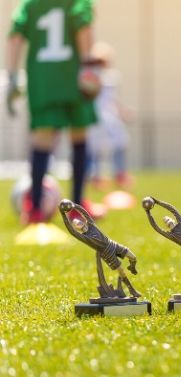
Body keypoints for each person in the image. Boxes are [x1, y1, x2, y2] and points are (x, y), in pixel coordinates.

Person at [5, 0, 101, 224]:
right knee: (79, 137)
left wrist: (11, 75)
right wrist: (87, 65)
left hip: (42, 81)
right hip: (72, 77)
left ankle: (35, 207)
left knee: (42, 140)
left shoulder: (30, 5)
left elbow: (15, 37)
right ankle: (78, 206)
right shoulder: (78, 2)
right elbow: (83, 27)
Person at [59, 199, 141, 298]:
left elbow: (84, 212)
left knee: (133, 257)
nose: (79, 224)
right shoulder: (85, 238)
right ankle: (131, 289)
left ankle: (132, 266)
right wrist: (63, 214)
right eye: (77, 225)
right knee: (121, 271)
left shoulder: (91, 224)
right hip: (106, 253)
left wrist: (74, 206)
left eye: (79, 222)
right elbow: (71, 231)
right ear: (77, 228)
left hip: (112, 244)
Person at [86, 42, 133, 190]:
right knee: (95, 147)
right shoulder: (91, 75)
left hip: (110, 115)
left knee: (121, 142)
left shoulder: (112, 76)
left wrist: (123, 111)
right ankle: (96, 176)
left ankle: (120, 174)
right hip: (96, 115)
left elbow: (113, 98)